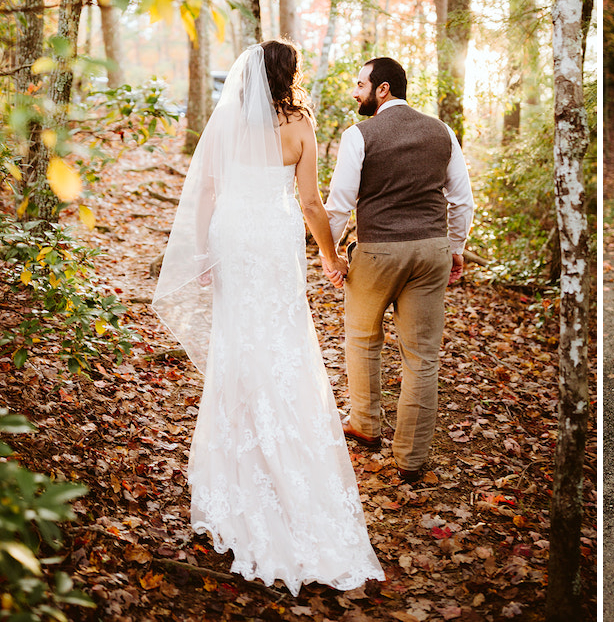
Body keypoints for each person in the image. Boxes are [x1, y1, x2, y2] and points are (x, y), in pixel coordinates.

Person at [153, 41, 384, 595]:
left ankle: (239, 460)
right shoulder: (299, 122)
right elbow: (309, 203)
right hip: (276, 240)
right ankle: (285, 455)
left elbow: (206, 188)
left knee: (239, 338)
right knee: (282, 338)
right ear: (287, 76)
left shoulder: (227, 119)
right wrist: (329, 256)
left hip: (232, 235)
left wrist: (206, 251)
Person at [324, 57, 474, 482]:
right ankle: (410, 459)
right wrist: (456, 248)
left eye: (360, 84)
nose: (355, 92)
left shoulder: (359, 135)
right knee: (423, 356)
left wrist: (329, 252)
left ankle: (366, 425)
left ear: (383, 89)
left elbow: (339, 204)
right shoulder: (441, 132)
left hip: (378, 253)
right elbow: (462, 200)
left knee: (362, 336)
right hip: (431, 252)